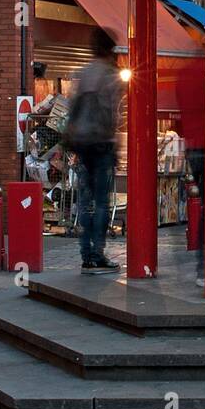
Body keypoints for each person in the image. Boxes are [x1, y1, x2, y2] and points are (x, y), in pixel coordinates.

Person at [67, 28, 124, 271]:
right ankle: (98, 252)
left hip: (81, 142)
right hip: (101, 143)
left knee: (85, 199)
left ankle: (85, 253)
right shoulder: (110, 75)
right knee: (101, 201)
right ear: (110, 49)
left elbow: (72, 108)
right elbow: (112, 113)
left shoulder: (83, 73)